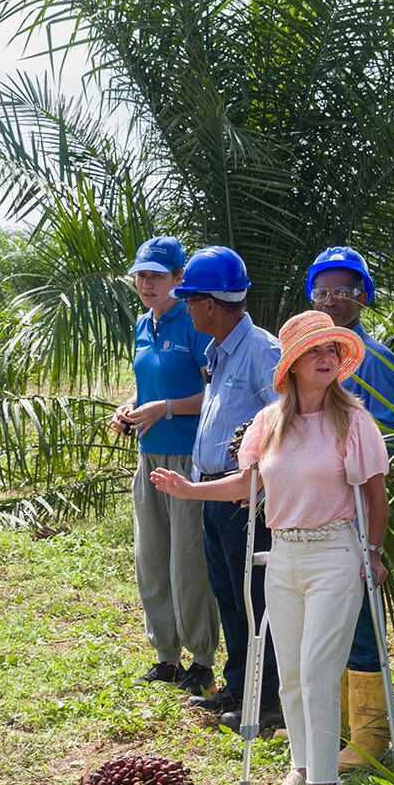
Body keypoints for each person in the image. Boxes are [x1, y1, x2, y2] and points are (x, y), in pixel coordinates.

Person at [153, 311, 390, 785]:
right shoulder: (268, 422)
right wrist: (191, 489)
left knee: (318, 669)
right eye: (315, 352)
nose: (325, 359)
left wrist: (372, 552)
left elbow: (374, 492)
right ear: (293, 366)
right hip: (283, 553)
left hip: (335, 554)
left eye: (331, 351)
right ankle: (302, 768)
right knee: (289, 675)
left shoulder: (354, 421)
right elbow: (247, 485)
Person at [305, 247, 394, 772]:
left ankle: (371, 734)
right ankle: (342, 723)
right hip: (313, 512)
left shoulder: (375, 358)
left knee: (363, 618)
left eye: (343, 291)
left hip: (356, 508)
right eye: (322, 292)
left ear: (362, 297)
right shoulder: (305, 354)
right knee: (330, 619)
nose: (332, 301)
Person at [170, 246, 282, 728]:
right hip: (214, 492)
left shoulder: (263, 351)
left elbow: (285, 426)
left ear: (211, 303)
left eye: (190, 301)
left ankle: (267, 698)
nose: (187, 309)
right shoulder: (219, 352)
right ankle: (238, 687)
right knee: (227, 592)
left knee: (255, 596)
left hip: (245, 497)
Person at [114, 236, 219, 697]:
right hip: (149, 455)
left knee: (188, 560)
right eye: (141, 274)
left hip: (187, 458)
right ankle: (166, 656)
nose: (146, 283)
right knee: (152, 558)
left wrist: (168, 409)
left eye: (157, 275)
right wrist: (130, 407)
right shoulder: (143, 324)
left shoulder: (195, 322)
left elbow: (215, 395)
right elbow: (147, 386)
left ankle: (202, 658)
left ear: (180, 279)